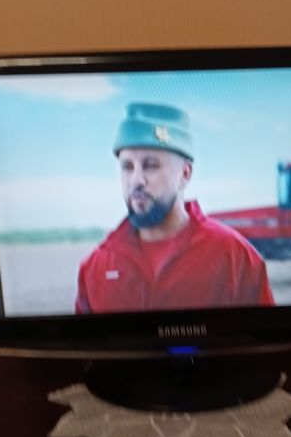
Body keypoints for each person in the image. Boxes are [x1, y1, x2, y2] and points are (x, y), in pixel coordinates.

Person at [74, 102, 274, 313]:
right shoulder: (95, 267)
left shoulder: (235, 257)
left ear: (185, 174)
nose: (136, 180)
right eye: (127, 167)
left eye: (151, 165)